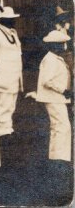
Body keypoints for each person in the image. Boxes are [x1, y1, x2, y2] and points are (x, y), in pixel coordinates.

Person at [28, 10, 72, 161]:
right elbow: (47, 80)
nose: (64, 47)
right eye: (62, 44)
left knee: (61, 127)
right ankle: (59, 157)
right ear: (55, 45)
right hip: (53, 97)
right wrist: (64, 90)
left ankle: (59, 156)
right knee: (61, 127)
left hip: (56, 97)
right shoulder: (51, 59)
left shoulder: (55, 58)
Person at [0, 6, 23, 152]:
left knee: (10, 105)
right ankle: (1, 133)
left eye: (13, 20)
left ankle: (7, 129)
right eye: (10, 20)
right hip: (3, 78)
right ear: (3, 20)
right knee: (2, 105)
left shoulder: (12, 34)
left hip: (14, 77)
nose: (13, 22)